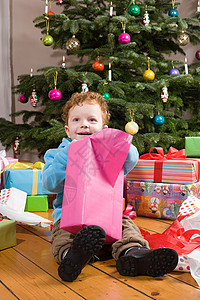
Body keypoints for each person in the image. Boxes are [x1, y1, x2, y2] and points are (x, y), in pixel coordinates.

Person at [42, 91, 178, 282]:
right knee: (63, 236)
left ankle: (134, 254)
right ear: (67, 130)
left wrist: (112, 141)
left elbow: (131, 157)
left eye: (91, 119)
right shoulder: (57, 154)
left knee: (127, 227)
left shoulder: (108, 150)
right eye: (76, 120)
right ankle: (72, 257)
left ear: (103, 128)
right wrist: (69, 153)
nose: (84, 124)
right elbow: (49, 183)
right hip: (67, 217)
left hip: (107, 215)